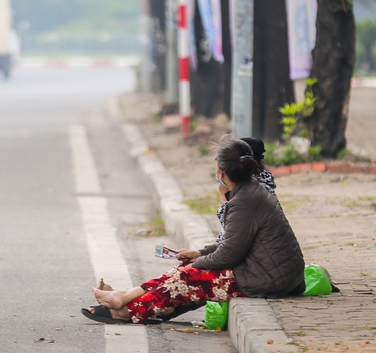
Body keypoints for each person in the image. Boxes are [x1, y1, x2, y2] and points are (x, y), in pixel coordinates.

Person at [81, 139, 305, 324]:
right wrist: (199, 254)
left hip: (269, 278)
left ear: (220, 171)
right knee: (188, 270)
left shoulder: (244, 200)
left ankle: (126, 310)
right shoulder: (250, 192)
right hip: (268, 271)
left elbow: (229, 254)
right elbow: (234, 241)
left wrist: (195, 264)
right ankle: (127, 298)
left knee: (189, 275)